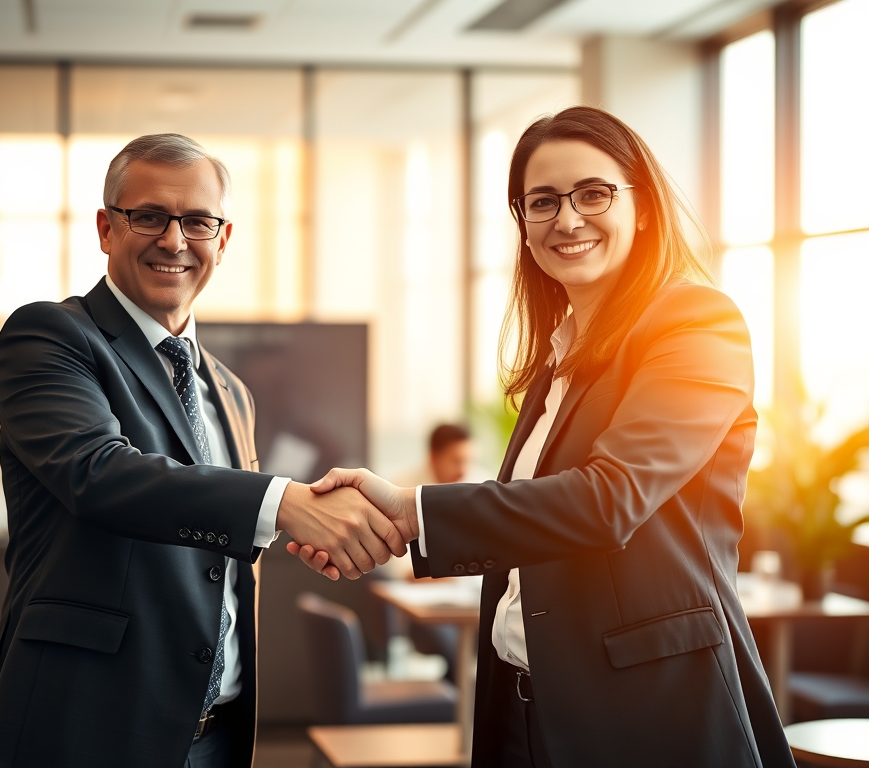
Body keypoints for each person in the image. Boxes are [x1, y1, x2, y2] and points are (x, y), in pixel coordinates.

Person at [289, 106, 796, 767]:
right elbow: (532, 527)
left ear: (642, 206)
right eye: (543, 202)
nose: (567, 219)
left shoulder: (696, 323)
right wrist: (380, 528)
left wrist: (411, 512)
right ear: (523, 225)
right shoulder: (558, 357)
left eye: (593, 193)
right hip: (525, 708)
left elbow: (608, 500)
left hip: (645, 717)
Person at [0, 134, 404, 768]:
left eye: (197, 221)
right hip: (86, 724)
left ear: (223, 240)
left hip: (215, 733)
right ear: (106, 228)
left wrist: (308, 530)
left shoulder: (230, 390)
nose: (174, 240)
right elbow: (98, 475)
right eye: (149, 216)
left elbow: (214, 534)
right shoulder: (51, 336)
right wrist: (284, 504)